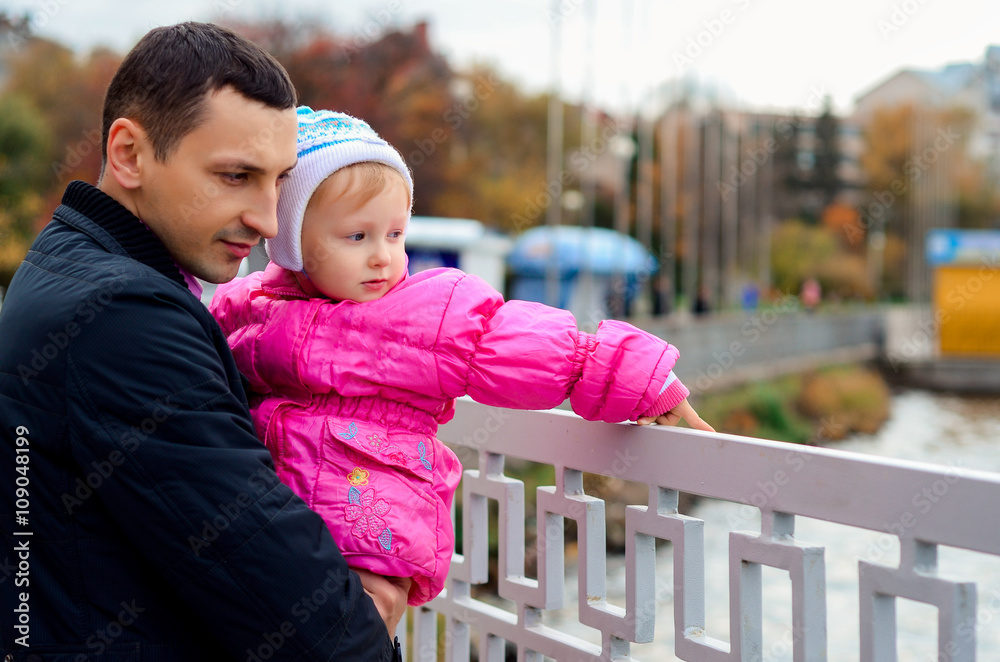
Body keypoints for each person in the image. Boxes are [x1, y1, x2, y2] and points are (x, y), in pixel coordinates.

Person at [210, 109, 715, 624]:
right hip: (277, 524)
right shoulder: (250, 303)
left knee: (350, 630)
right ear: (292, 242)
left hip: (370, 532)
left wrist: (644, 381)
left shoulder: (426, 312)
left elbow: (536, 348)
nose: (383, 257)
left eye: (394, 234)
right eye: (357, 238)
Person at [0, 24, 404, 660]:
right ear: (130, 154)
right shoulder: (123, 315)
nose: (269, 219)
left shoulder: (65, 259)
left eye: (279, 180)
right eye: (236, 175)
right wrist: (364, 632)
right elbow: (281, 595)